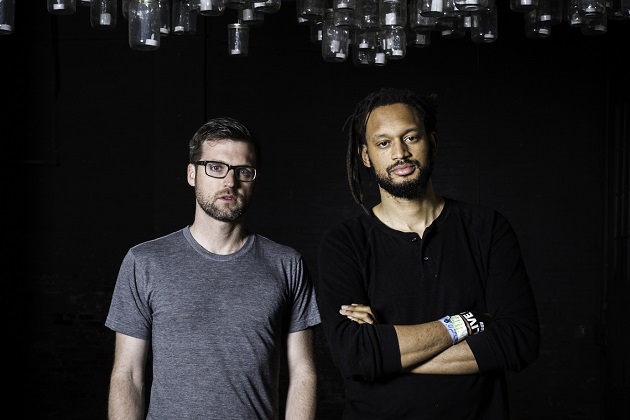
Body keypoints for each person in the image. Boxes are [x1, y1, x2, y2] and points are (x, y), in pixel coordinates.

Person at [316, 87, 540, 419]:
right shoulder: (344, 243)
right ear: (365, 156)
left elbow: (518, 341)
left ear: (432, 142)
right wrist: (469, 322)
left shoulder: (487, 228)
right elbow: (354, 355)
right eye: (383, 143)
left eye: (411, 138)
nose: (400, 154)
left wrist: (385, 356)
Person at [105, 117, 321, 420]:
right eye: (216, 167)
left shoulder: (286, 264)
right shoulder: (145, 262)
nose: (230, 182)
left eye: (243, 171)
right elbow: (128, 374)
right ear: (192, 174)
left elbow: (303, 373)